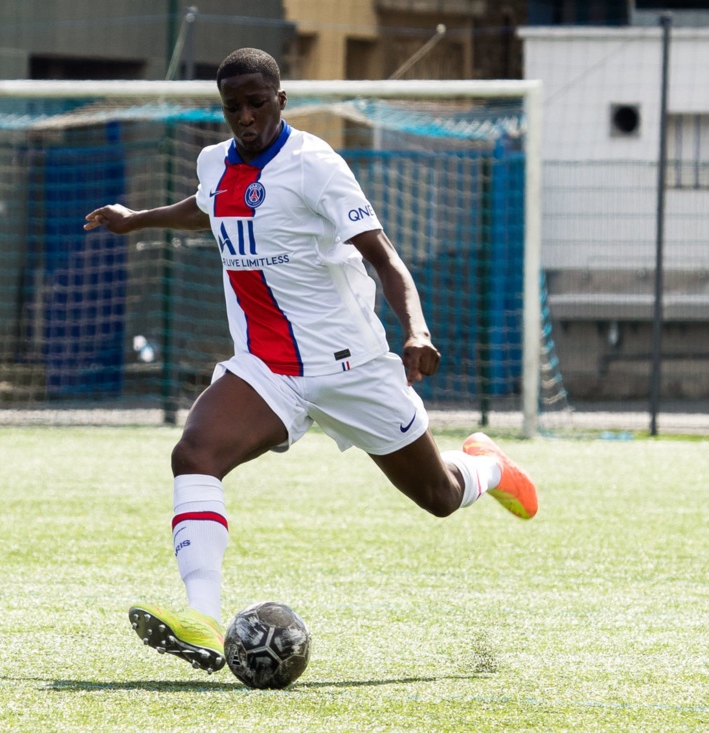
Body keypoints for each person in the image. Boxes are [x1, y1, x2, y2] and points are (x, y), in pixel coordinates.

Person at [83, 48, 537, 674]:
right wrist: (140, 221)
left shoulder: (316, 165)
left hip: (351, 366)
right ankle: (203, 617)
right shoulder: (214, 163)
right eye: (232, 107)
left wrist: (416, 331)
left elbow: (383, 256)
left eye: (256, 103)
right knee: (195, 452)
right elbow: (208, 207)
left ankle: (490, 466)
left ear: (281, 100)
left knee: (438, 494)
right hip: (268, 369)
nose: (244, 117)